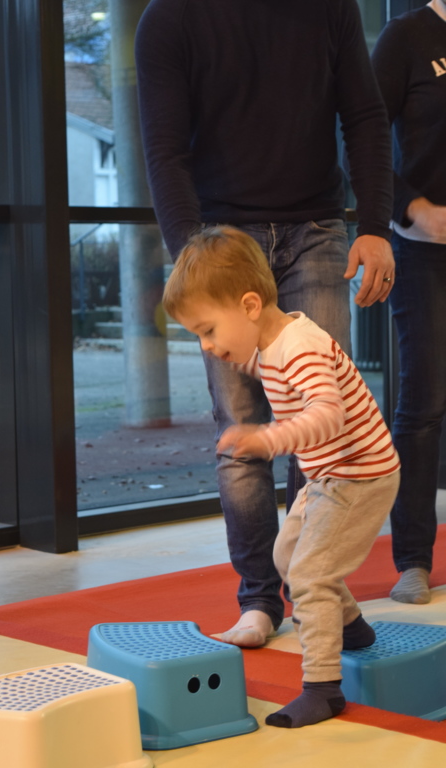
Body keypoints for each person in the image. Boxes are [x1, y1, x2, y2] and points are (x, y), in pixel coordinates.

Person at [135, 0, 395, 648]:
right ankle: (258, 598)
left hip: (316, 229)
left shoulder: (330, 6)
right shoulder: (169, 18)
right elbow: (165, 151)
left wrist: (374, 226)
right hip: (222, 237)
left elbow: (363, 116)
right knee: (240, 428)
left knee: (320, 416)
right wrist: (197, 262)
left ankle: (314, 589)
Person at [162, 226, 400, 728]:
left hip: (359, 475)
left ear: (250, 305)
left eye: (208, 330)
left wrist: (268, 438)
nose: (207, 346)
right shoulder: (272, 343)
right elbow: (266, 366)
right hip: (331, 475)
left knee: (310, 575)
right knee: (287, 556)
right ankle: (352, 627)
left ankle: (323, 689)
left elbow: (328, 414)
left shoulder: (301, 347)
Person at [371, 0, 446, 605]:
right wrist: (413, 209)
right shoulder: (407, 37)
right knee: (424, 402)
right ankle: (414, 560)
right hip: (424, 252)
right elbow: (360, 138)